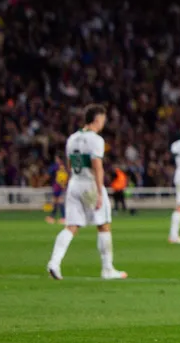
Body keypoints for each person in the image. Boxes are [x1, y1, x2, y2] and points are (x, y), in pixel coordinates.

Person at [46, 105, 127, 281]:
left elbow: (69, 165)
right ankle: (107, 269)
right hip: (90, 184)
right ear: (97, 120)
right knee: (103, 225)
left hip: (75, 183)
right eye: (103, 120)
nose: (104, 123)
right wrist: (99, 192)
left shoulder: (72, 138)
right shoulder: (96, 140)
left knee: (71, 227)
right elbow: (97, 166)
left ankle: (54, 262)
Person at [46, 155, 67, 225]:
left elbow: (48, 174)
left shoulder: (55, 166)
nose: (56, 159)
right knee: (57, 201)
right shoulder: (65, 166)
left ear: (59, 159)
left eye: (56, 158)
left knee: (58, 201)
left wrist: (43, 181)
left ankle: (63, 217)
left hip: (57, 186)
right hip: (64, 186)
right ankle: (52, 216)